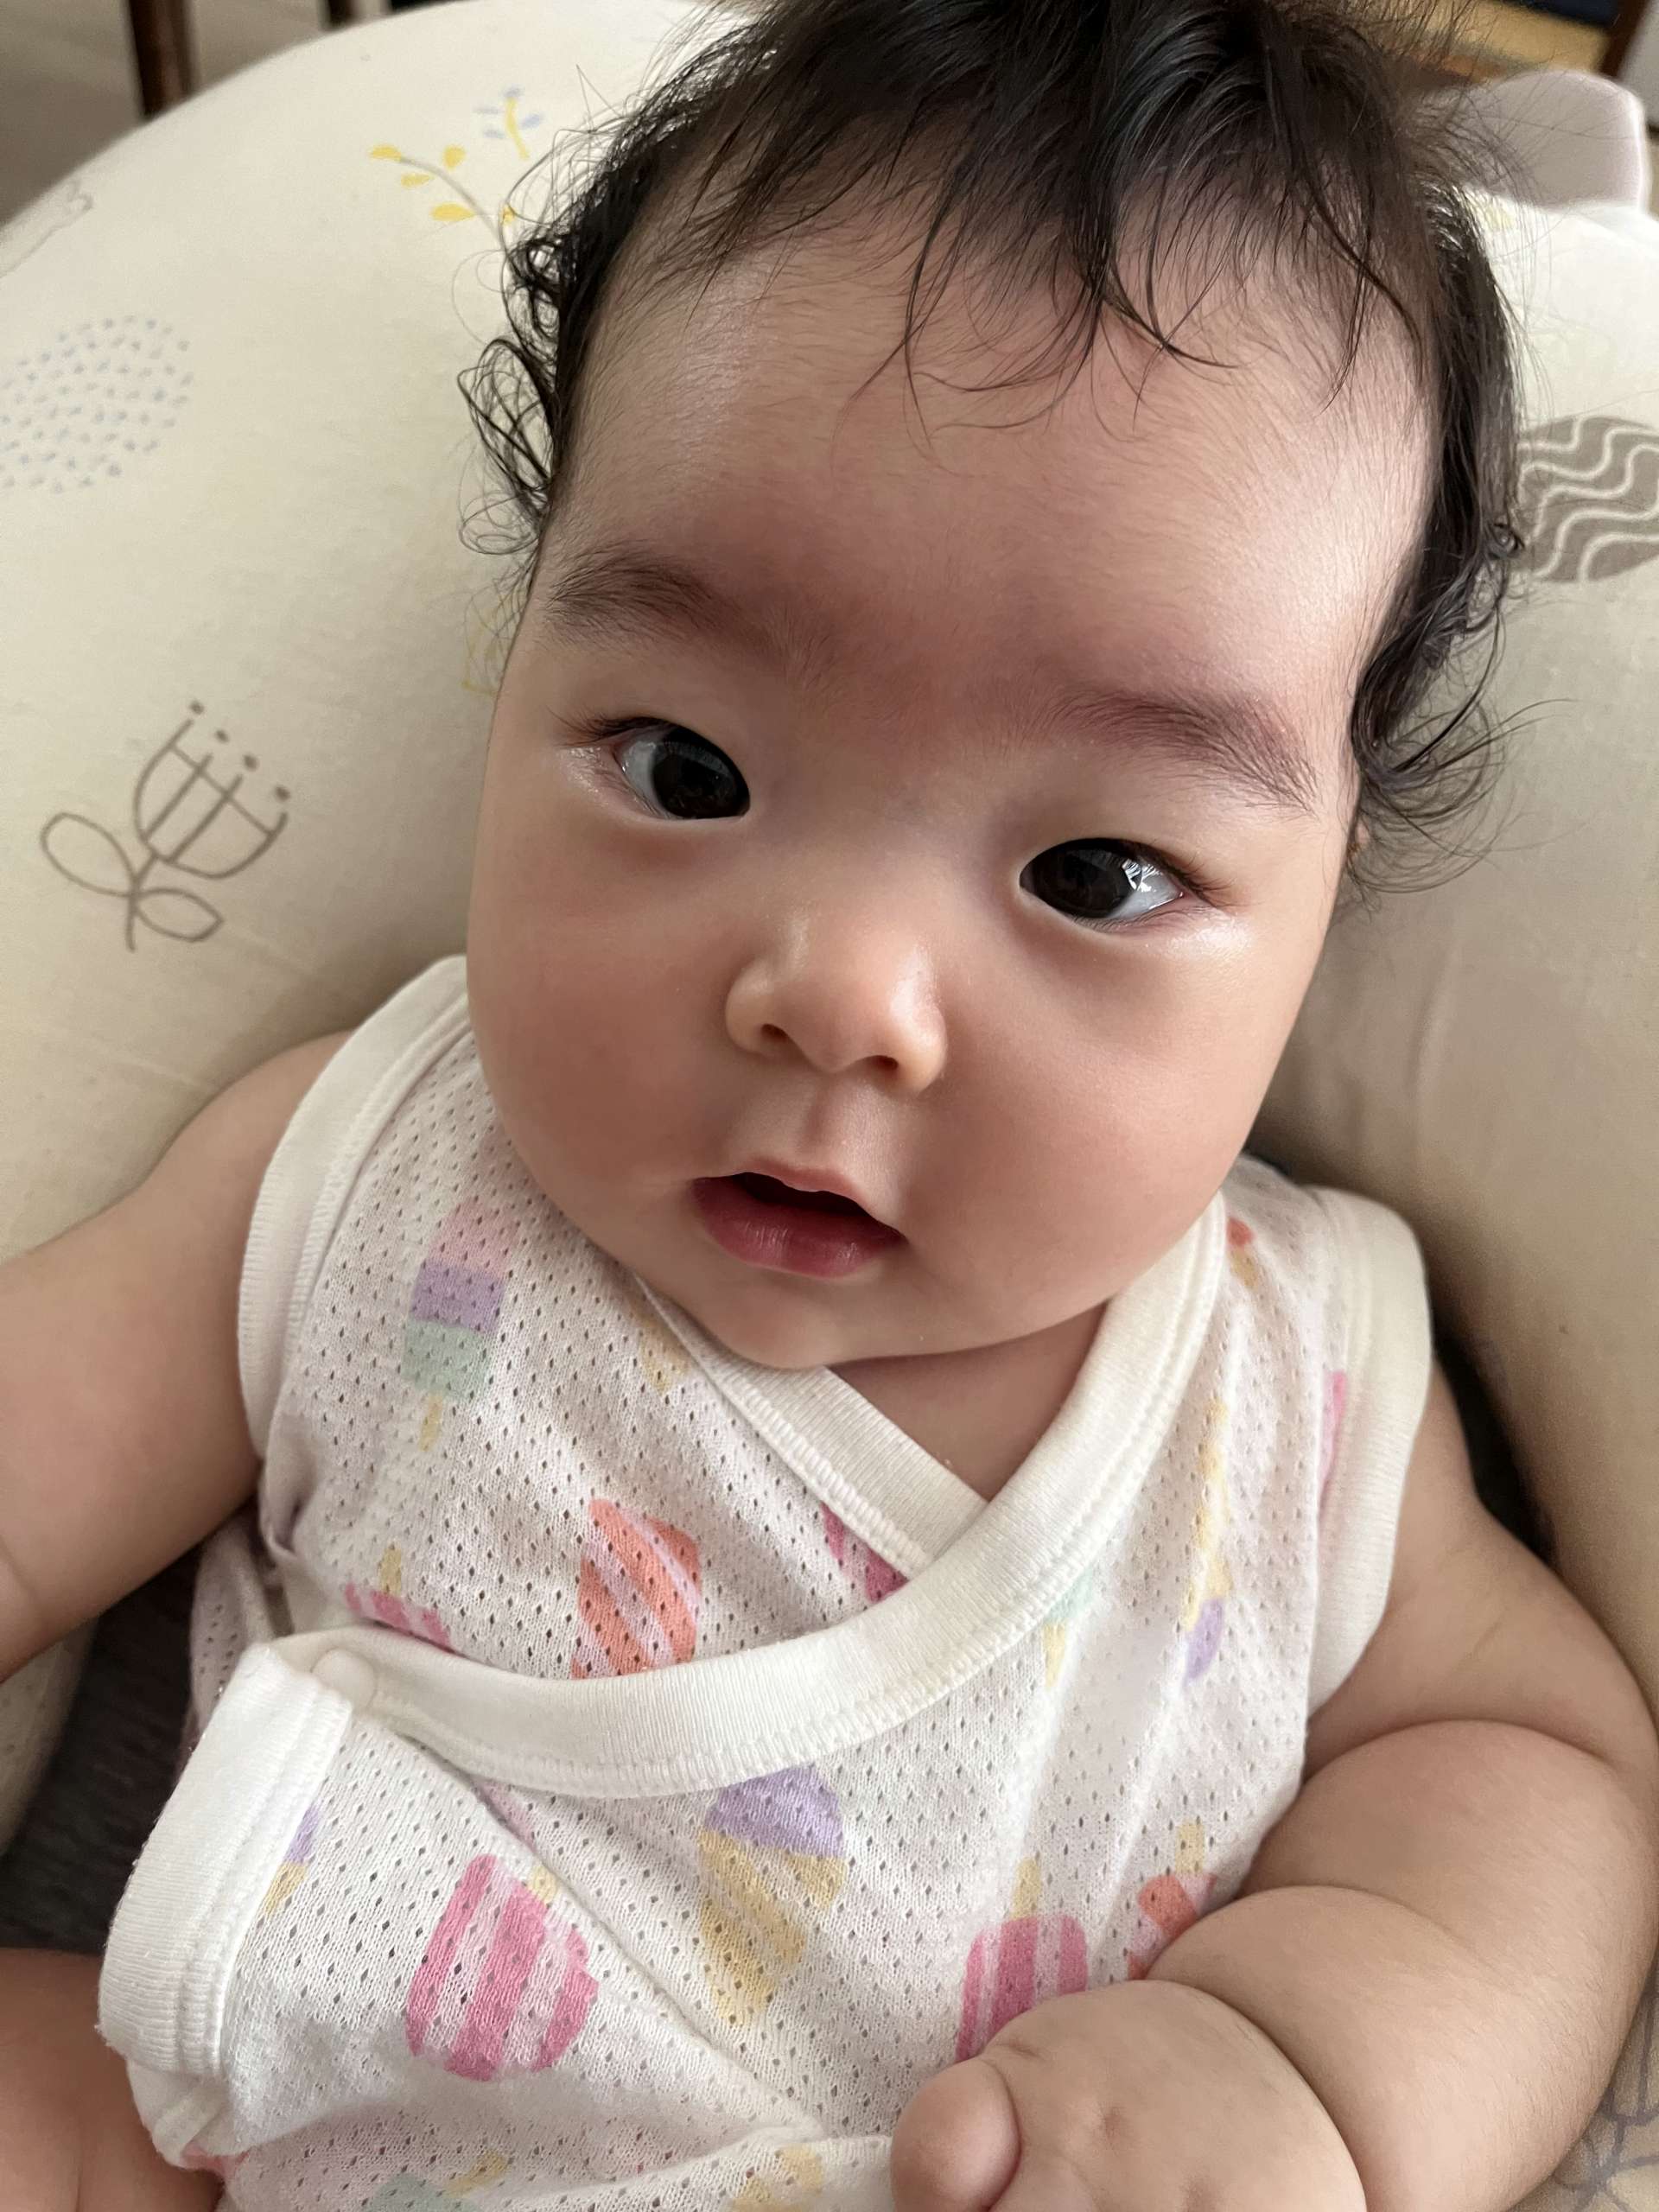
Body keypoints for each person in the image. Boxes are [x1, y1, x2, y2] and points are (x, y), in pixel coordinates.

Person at [2, 0, 1656, 2204]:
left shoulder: (1292, 1393)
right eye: (687, 770)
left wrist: (1301, 2066)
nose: (844, 996)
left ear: (1323, 901)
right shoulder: (369, 1166)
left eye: (1097, 874)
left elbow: (1527, 1761)